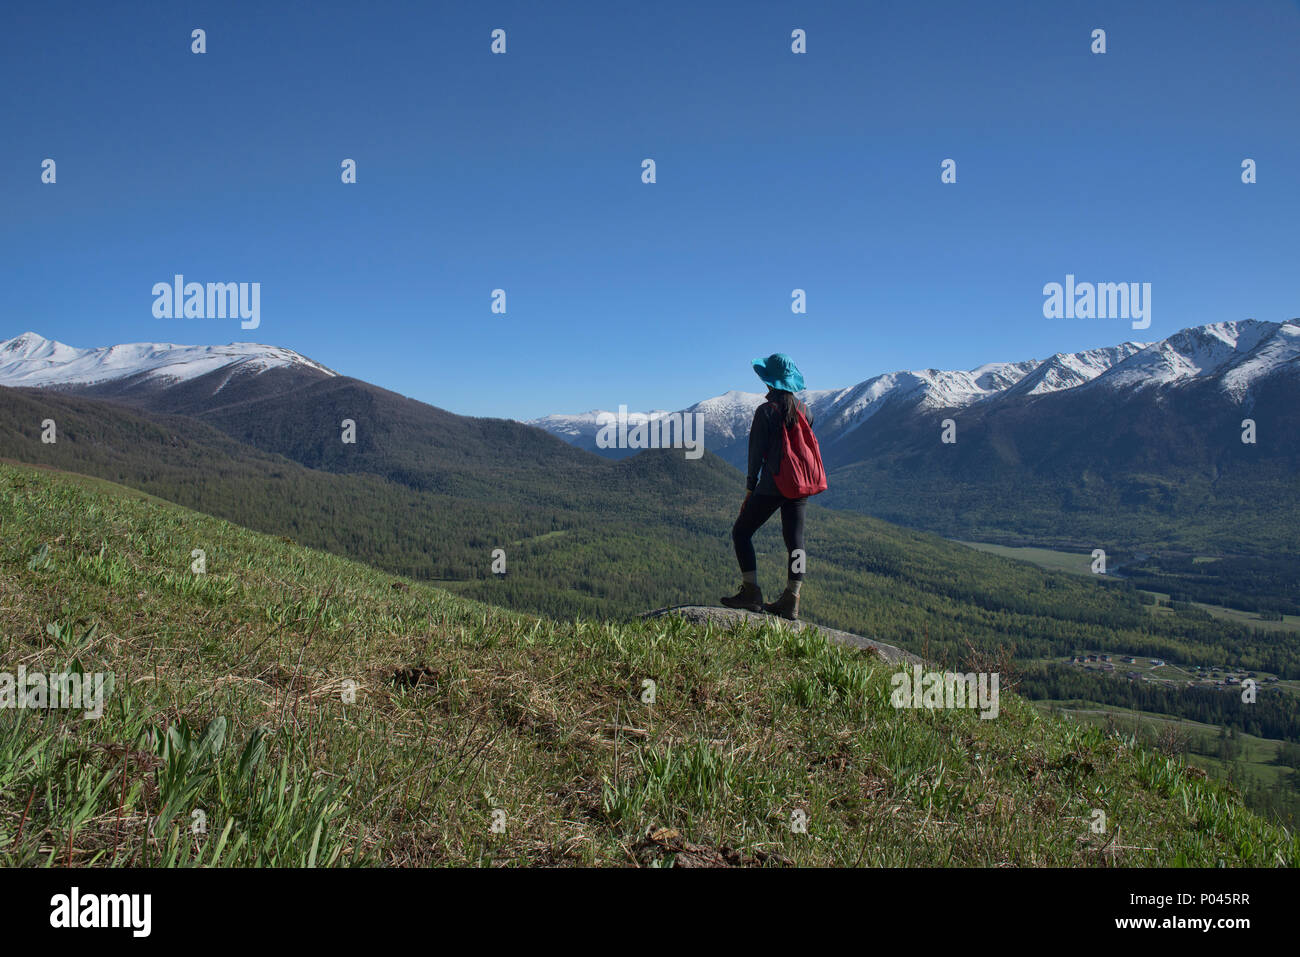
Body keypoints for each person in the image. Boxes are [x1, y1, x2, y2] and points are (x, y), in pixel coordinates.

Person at [721, 353, 815, 621]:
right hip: (801, 485)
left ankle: (751, 592)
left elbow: (756, 455)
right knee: (796, 542)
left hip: (773, 485)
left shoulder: (765, 412)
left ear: (769, 382)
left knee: (741, 532)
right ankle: (792, 598)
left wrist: (750, 489)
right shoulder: (806, 411)